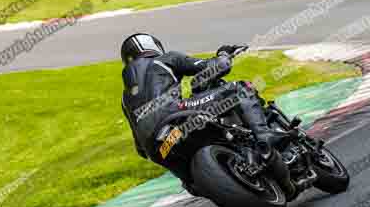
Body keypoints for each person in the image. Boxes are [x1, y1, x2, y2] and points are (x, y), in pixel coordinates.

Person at [119, 33, 295, 197]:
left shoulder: (125, 98)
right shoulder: (163, 60)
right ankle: (265, 136)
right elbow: (218, 67)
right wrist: (224, 54)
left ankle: (192, 181)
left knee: (193, 185)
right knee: (239, 88)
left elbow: (140, 148)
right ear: (152, 46)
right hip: (176, 115)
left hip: (157, 149)